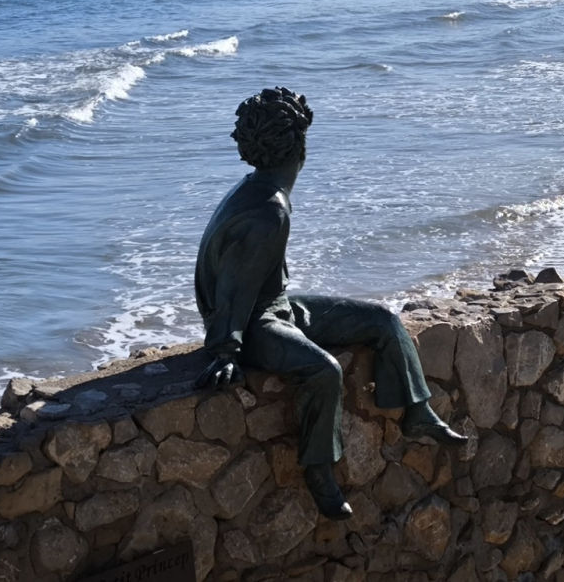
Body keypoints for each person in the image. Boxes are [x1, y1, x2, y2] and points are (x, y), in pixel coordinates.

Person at [193, 87, 465, 520]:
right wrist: (226, 348)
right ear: (298, 148)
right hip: (252, 321)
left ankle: (417, 411)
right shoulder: (270, 211)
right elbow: (233, 287)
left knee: (381, 320)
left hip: (275, 304)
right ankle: (319, 470)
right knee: (324, 371)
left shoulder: (258, 188)